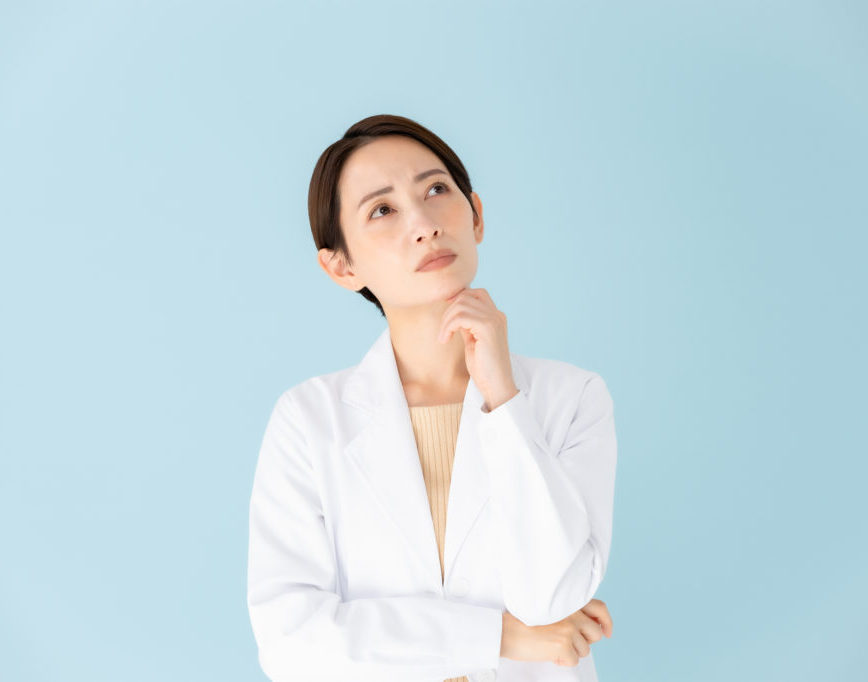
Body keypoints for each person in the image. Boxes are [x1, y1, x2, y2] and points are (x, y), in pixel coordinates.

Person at [246, 114, 618, 681]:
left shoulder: (571, 397)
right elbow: (292, 644)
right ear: (341, 266)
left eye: (436, 190)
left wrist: (504, 399)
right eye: (382, 210)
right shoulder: (308, 419)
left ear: (477, 215)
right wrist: (503, 637)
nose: (424, 224)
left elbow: (552, 595)